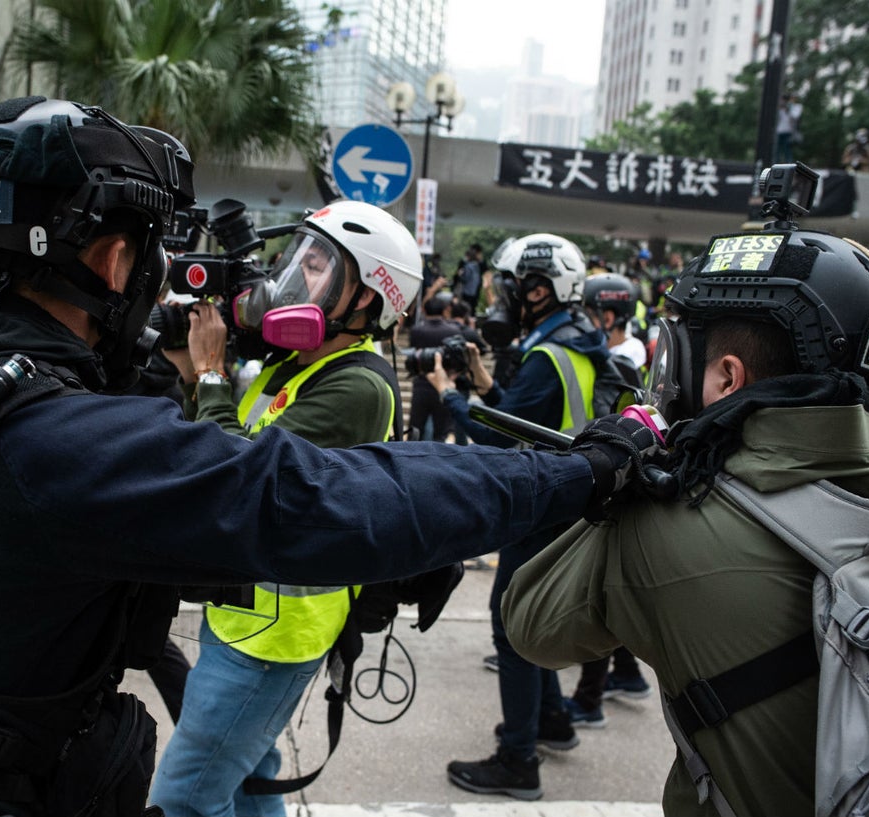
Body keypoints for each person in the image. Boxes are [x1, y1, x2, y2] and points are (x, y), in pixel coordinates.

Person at [0, 98, 662, 817]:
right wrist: (579, 470)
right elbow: (322, 497)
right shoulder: (55, 439)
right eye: (151, 248)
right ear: (115, 262)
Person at [502, 222, 869, 816]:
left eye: (677, 352)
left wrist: (631, 469)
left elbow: (531, 623)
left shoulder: (667, 521)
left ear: (727, 377)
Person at [153, 200, 422, 817]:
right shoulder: (294, 364)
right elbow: (219, 445)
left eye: (321, 265)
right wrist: (198, 376)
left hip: (276, 637)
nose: (297, 276)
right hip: (243, 614)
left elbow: (232, 476)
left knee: (183, 799)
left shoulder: (355, 384)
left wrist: (212, 372)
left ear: (366, 300)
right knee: (250, 778)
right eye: (301, 257)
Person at [430, 233, 610, 801]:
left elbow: (495, 433)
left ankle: (517, 760)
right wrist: (490, 387)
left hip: (539, 510)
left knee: (511, 628)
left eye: (509, 286)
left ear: (538, 289)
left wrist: (453, 396)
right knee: (536, 619)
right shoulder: (574, 343)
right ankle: (553, 722)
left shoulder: (546, 355)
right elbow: (537, 417)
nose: (503, 296)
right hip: (569, 501)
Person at [409, 295, 465, 441]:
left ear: (425, 311)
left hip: (421, 382)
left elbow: (415, 354)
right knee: (442, 432)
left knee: (416, 430)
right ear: (444, 311)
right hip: (443, 384)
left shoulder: (417, 330)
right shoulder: (453, 331)